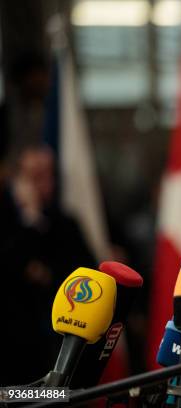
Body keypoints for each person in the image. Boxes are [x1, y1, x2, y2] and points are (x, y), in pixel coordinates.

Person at [0, 145, 96, 385]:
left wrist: (47, 274)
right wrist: (31, 221)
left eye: (48, 176)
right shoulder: (5, 219)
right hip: (10, 346)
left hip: (55, 346)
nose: (44, 184)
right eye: (34, 177)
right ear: (17, 181)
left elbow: (87, 273)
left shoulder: (65, 222)